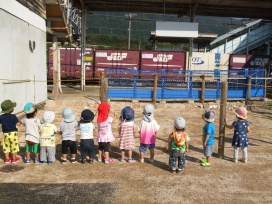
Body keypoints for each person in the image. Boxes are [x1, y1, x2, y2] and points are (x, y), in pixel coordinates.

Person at [0, 99, 22, 164]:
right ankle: (14, 159)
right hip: (13, 134)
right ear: (11, 109)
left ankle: (7, 159)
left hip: (5, 134)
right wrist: (20, 122)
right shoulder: (13, 116)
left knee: (6, 146)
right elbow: (18, 124)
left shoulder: (1, 117)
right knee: (14, 146)